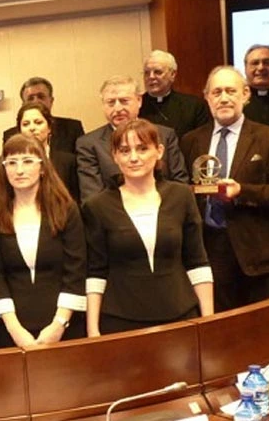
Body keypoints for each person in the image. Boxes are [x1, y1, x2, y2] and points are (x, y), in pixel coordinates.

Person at [180, 66, 269, 311]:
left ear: (245, 94)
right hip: (210, 252)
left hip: (258, 254)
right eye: (217, 92)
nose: (223, 98)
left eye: (231, 91)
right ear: (207, 97)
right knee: (221, 335)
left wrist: (241, 191)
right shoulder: (191, 141)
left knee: (265, 333)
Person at [84, 119, 213, 335]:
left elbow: (197, 262)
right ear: (114, 156)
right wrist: (92, 329)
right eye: (124, 151)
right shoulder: (97, 206)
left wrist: (209, 320)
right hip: (120, 319)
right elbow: (96, 272)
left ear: (159, 151)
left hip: (180, 314)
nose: (134, 157)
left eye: (142, 149)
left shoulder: (181, 196)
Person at [0, 134, 86, 348]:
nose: (19, 170)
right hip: (10, 332)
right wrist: (15, 330)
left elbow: (76, 269)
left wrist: (59, 324)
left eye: (27, 161)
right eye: (12, 163)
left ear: (43, 168)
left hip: (64, 327)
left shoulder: (66, 211)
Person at [77, 75, 188, 202]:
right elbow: (92, 198)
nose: (117, 109)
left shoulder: (164, 135)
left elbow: (180, 183)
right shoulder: (89, 144)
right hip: (113, 217)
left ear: (139, 101)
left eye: (124, 101)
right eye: (111, 102)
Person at [139, 50, 211, 139]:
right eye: (147, 73)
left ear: (172, 74)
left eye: (157, 72)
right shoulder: (137, 106)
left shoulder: (194, 106)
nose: (151, 77)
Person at [2, 77, 84, 154]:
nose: (36, 101)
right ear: (23, 104)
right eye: (30, 98)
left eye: (41, 97)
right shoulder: (10, 135)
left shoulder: (72, 128)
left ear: (51, 101)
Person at [17, 102, 80, 202]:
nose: (32, 128)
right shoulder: (14, 164)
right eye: (26, 124)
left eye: (38, 122)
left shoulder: (68, 161)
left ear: (49, 127)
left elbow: (75, 200)